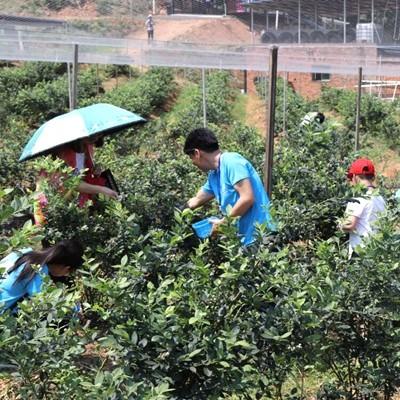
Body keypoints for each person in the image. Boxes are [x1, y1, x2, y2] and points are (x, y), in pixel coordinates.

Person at [183, 128, 274, 246]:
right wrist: (180, 210)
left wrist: (223, 223)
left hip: (262, 237)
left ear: (197, 153)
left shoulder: (231, 161)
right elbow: (197, 199)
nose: (193, 163)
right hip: (246, 241)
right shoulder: (214, 175)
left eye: (191, 158)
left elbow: (247, 198)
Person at [33, 137, 118, 225]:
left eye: (99, 134)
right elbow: (70, 182)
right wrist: (101, 189)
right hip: (52, 202)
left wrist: (95, 169)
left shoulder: (87, 147)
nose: (96, 137)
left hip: (75, 201)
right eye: (94, 134)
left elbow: (81, 173)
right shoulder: (62, 151)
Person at [0, 239, 84, 313]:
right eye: (68, 272)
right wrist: (75, 310)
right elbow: (46, 303)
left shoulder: (25, 252)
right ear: (66, 267)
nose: (66, 274)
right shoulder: (38, 272)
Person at [340, 158, 386, 258]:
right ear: (372, 177)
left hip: (360, 252)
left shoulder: (358, 198)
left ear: (355, 177)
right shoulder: (380, 198)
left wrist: (339, 225)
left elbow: (350, 224)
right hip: (376, 251)